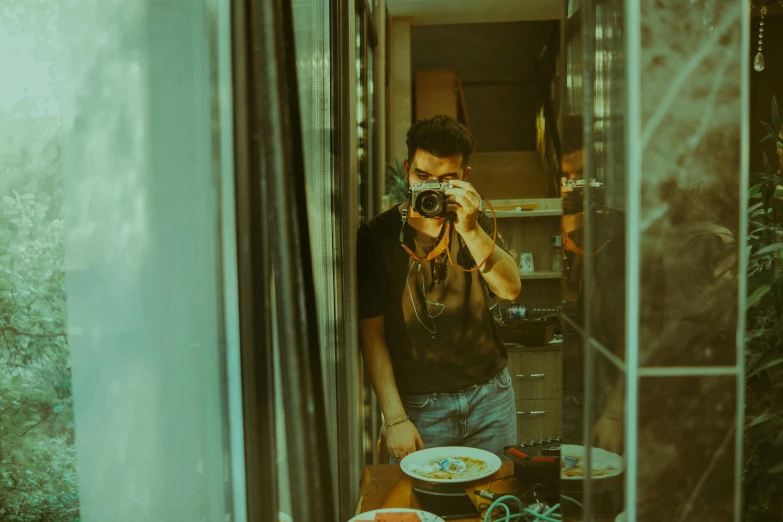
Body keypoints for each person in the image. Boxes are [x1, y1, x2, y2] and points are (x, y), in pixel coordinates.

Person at [357, 115, 522, 462]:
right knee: (424, 510)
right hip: (421, 409)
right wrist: (395, 417)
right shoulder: (377, 237)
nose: (430, 189)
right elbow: (371, 334)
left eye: (446, 180)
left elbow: (510, 289)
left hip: (489, 399)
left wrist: (471, 229)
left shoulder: (474, 224)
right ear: (406, 170)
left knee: (494, 508)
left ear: (465, 178)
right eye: (422, 176)